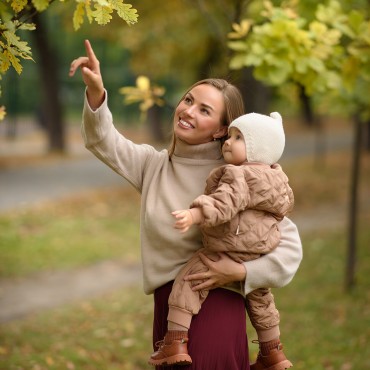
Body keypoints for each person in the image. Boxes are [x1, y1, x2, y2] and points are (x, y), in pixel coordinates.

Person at [69, 39, 303, 370]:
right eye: (188, 100)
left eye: (204, 110)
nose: (189, 111)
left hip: (218, 305)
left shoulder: (239, 177)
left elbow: (290, 248)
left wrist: (241, 271)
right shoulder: (153, 166)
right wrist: (96, 92)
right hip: (170, 312)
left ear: (223, 129)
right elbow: (102, 140)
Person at [151, 111, 294, 369]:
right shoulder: (279, 179)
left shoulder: (238, 175)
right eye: (229, 135)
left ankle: (175, 341)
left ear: (256, 149)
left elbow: (224, 203)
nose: (228, 142)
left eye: (238, 138)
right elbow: (283, 209)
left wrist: (195, 214)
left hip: (229, 246)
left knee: (188, 282)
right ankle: (272, 351)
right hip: (259, 251)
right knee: (261, 299)